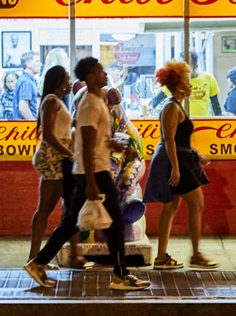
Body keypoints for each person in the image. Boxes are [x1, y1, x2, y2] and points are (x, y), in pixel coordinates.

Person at [24, 56, 145, 291]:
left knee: (71, 223)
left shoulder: (97, 100)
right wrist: (90, 180)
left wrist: (111, 145)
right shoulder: (89, 104)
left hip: (89, 169)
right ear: (90, 77)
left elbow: (93, 140)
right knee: (115, 222)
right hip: (94, 171)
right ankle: (120, 275)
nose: (106, 74)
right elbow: (86, 145)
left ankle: (38, 262)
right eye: (101, 71)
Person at [143, 59, 214, 269]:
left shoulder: (174, 106)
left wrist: (195, 154)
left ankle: (162, 256)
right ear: (180, 85)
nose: (191, 84)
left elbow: (178, 140)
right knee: (196, 204)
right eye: (187, 80)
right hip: (178, 162)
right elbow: (169, 140)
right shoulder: (171, 108)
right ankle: (194, 255)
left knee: (171, 207)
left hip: (182, 160)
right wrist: (175, 167)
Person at [27, 65, 85, 266]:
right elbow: (49, 135)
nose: (70, 83)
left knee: (69, 206)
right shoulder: (51, 101)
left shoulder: (57, 101)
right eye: (67, 79)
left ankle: (70, 254)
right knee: (50, 207)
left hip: (59, 157)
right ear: (59, 82)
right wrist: (70, 154)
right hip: (54, 158)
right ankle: (36, 256)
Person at [188, 50, 221, 117]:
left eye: (188, 65)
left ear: (196, 65)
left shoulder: (209, 78)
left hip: (203, 122)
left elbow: (216, 106)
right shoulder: (177, 81)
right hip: (183, 123)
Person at [15, 51, 41, 121]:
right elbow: (23, 108)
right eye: (37, 61)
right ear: (28, 64)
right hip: (25, 127)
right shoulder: (26, 82)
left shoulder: (28, 80)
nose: (40, 64)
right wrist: (34, 124)